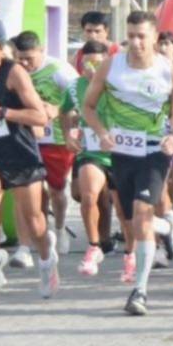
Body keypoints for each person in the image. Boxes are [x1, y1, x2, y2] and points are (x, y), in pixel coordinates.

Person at [83, 10, 173, 316]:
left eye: (141, 36)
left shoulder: (169, 71)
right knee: (132, 220)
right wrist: (101, 132)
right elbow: (88, 106)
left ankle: (140, 290)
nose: (135, 42)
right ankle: (167, 226)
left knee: (142, 215)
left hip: (155, 151)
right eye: (131, 36)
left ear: (154, 37)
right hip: (122, 152)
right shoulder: (111, 66)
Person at [0, 16, 60, 302]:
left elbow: (40, 116)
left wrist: (2, 111)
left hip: (20, 152)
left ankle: (47, 260)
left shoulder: (14, 72)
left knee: (34, 222)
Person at [13, 31, 79, 259]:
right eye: (20, 58)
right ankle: (31, 240)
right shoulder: (15, 71)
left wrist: (56, 109)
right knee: (30, 191)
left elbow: (80, 97)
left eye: (29, 58)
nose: (24, 64)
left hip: (56, 139)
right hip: (26, 139)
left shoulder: (59, 70)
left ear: (41, 51)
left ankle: (59, 228)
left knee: (56, 191)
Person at [64, 40, 114, 276]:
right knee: (86, 195)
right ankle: (94, 246)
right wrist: (67, 135)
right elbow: (64, 110)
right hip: (91, 150)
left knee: (117, 203)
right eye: (86, 62)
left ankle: (126, 248)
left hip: (119, 150)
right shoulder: (76, 86)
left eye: (96, 63)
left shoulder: (117, 83)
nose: (90, 68)